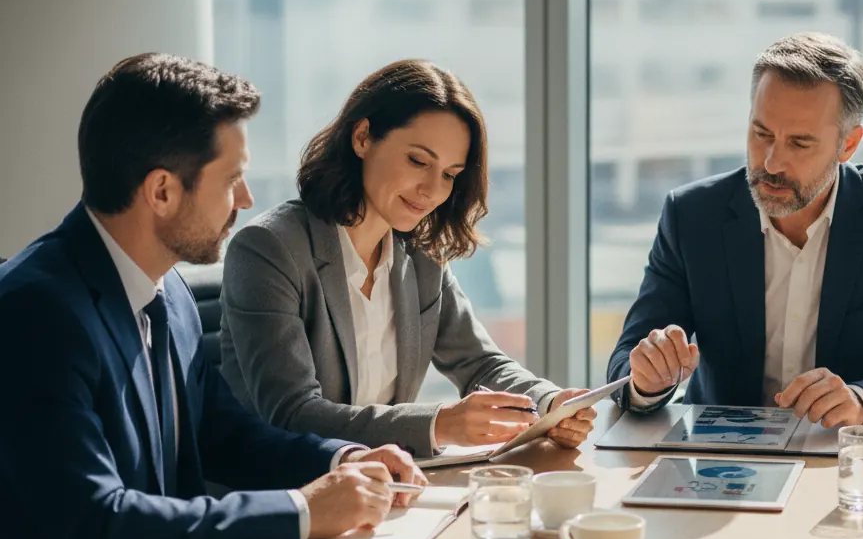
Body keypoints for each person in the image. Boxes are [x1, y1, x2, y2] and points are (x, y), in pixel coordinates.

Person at [0, 54, 425, 539]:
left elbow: (223, 434)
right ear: (161, 192)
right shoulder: (36, 313)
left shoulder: (166, 288)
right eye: (231, 179)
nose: (246, 199)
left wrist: (341, 459)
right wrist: (302, 510)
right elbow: (98, 524)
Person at [219, 60, 595, 458]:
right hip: (293, 494)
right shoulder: (268, 249)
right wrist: (439, 424)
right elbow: (292, 413)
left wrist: (551, 404)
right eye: (418, 161)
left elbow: (480, 364)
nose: (433, 190)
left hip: (387, 487)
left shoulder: (419, 254)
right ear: (362, 137)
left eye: (450, 174)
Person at [606, 33, 863, 427]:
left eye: (799, 143)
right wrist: (647, 381)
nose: (772, 162)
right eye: (761, 133)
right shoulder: (693, 215)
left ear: (848, 144)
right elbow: (627, 364)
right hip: (720, 462)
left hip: (841, 453)